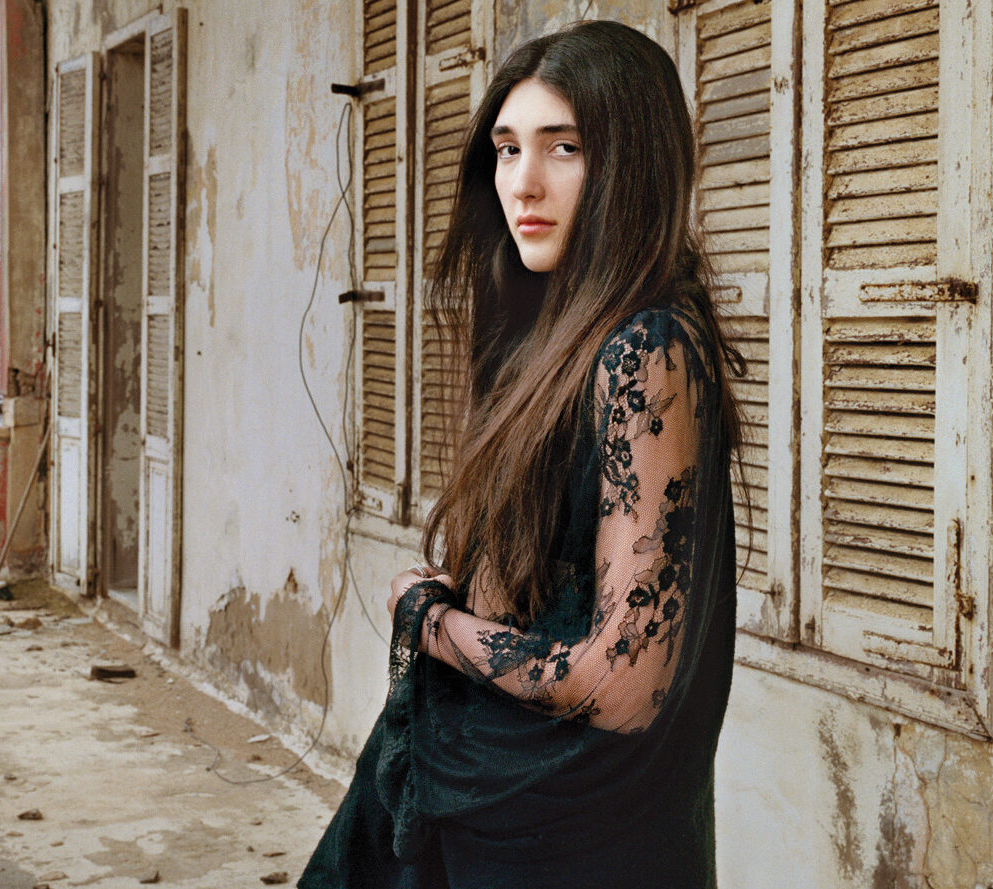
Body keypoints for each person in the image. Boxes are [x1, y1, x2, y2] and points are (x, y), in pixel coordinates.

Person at [301, 19, 746, 889]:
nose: (523, 183)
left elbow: (621, 681)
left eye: (564, 147)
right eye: (506, 149)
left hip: (572, 839)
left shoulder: (645, 351)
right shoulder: (548, 335)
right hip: (489, 798)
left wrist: (426, 621)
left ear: (631, 165)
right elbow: (520, 588)